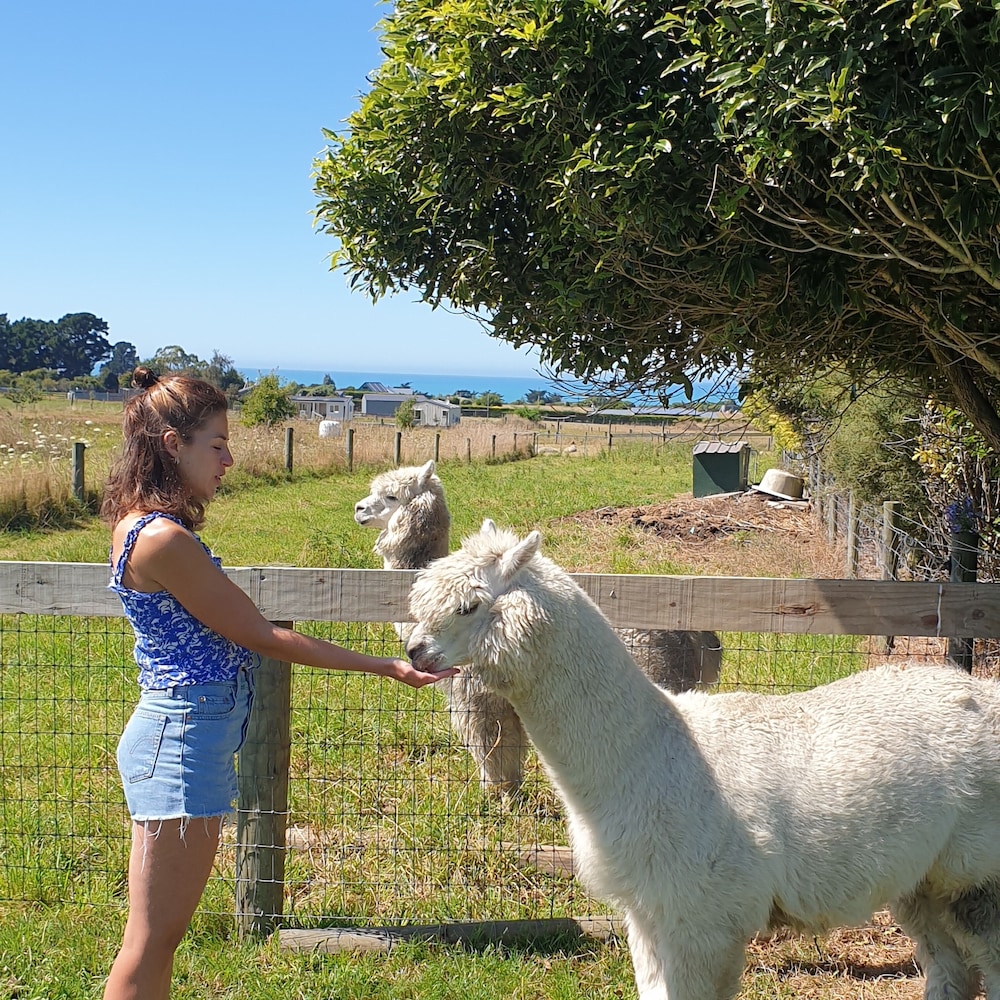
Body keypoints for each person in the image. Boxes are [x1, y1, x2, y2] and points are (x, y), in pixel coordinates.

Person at [100, 366, 456, 1000]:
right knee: (150, 941)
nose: (229, 460)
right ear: (172, 444)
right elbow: (262, 636)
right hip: (179, 743)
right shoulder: (163, 539)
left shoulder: (142, 525)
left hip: (185, 737)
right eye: (217, 444)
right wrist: (385, 666)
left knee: (159, 939)